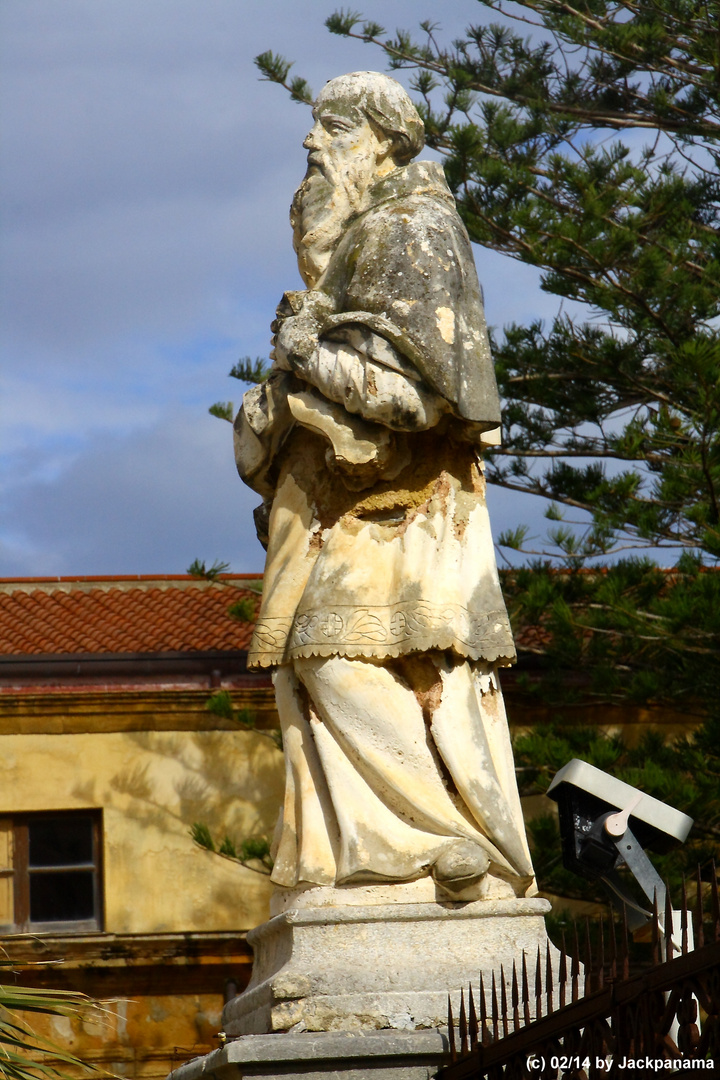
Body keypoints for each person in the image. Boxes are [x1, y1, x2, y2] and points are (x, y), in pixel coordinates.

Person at [234, 71, 535, 900]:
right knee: (314, 666)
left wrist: (306, 356)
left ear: (379, 138)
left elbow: (421, 398)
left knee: (337, 659)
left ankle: (446, 846)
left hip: (411, 515)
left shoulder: (414, 230)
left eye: (328, 125)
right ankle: (374, 855)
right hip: (354, 514)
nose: (310, 141)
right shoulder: (361, 242)